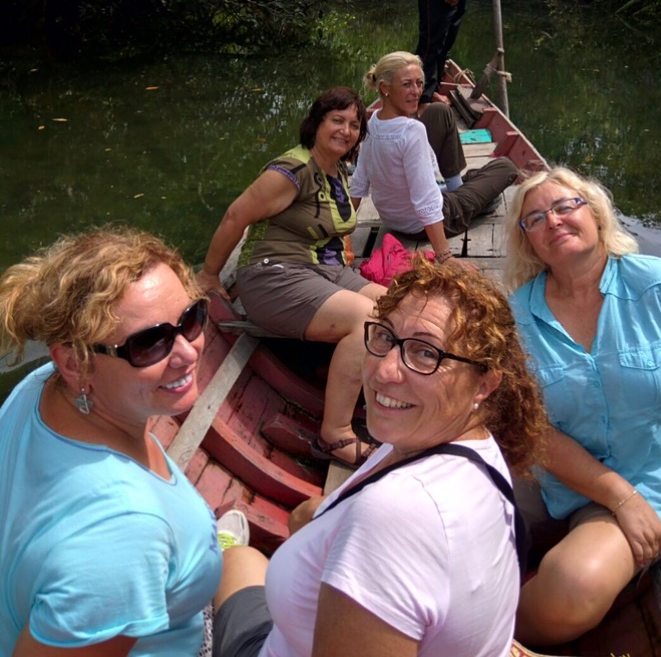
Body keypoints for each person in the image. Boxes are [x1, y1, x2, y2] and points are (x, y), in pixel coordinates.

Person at [211, 258, 549, 657]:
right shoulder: (474, 448)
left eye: (426, 354)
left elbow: (392, 525)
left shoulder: (394, 514)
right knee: (247, 557)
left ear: (485, 384)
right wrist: (316, 521)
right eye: (385, 338)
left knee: (231, 561)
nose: (385, 371)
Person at [504, 166, 661, 647]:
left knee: (572, 589)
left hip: (650, 484)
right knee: (431, 522)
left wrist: (629, 499)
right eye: (537, 218)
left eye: (566, 206)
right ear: (528, 242)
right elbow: (532, 430)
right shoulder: (518, 314)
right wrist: (615, 495)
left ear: (597, 215)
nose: (554, 221)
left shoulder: (659, 286)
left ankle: (472, 635)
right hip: (548, 478)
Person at [0, 227, 221, 655]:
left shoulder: (39, 388)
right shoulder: (121, 539)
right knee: (251, 569)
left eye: (191, 319)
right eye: (148, 343)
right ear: (74, 362)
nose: (188, 352)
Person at [196, 87, 386, 468]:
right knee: (367, 319)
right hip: (272, 276)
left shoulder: (336, 170)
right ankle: (335, 435)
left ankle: (334, 367)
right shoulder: (293, 170)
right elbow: (235, 217)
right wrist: (209, 275)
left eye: (354, 125)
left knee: (399, 308)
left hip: (322, 270)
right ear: (316, 123)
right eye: (337, 121)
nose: (346, 131)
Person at [351, 52, 518, 264]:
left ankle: (458, 188)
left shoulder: (374, 121)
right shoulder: (412, 131)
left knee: (439, 111)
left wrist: (339, 228)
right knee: (506, 167)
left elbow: (359, 181)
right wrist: (445, 256)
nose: (416, 92)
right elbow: (426, 199)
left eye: (419, 83)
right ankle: (461, 197)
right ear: (385, 88)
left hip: (393, 219)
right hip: (427, 222)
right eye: (406, 85)